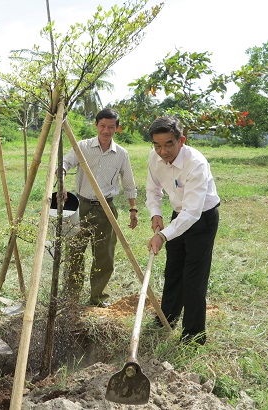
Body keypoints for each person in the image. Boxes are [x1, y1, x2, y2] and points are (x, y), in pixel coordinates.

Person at [145, 116, 220, 346]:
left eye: (169, 144)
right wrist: (155, 213)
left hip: (202, 218)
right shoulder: (154, 158)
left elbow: (192, 213)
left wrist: (162, 235)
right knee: (173, 269)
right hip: (178, 216)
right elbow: (152, 190)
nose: (163, 151)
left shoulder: (195, 163)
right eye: (157, 145)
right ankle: (167, 317)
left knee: (194, 277)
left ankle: (194, 335)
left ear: (181, 140)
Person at [61, 107, 138, 307]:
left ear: (117, 129)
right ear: (96, 125)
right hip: (80, 206)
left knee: (104, 256)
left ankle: (97, 297)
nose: (106, 130)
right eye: (102, 126)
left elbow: (129, 183)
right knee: (74, 252)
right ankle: (70, 297)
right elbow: (65, 163)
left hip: (106, 209)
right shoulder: (83, 147)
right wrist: (61, 179)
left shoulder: (121, 154)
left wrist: (133, 209)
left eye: (111, 127)